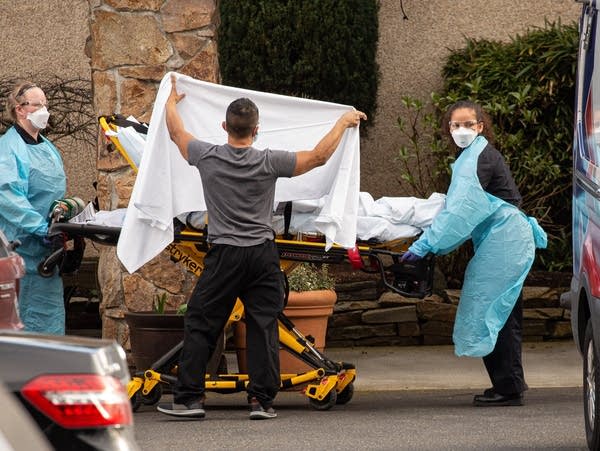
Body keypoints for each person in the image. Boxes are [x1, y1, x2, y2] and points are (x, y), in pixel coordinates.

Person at [157, 74, 366, 420]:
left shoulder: (206, 155)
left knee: (201, 321)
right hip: (261, 255)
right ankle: (261, 402)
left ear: (225, 126)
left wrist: (170, 102)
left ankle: (191, 399)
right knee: (263, 325)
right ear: (256, 130)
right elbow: (317, 157)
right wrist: (344, 122)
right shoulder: (269, 161)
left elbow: (177, 133)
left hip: (224, 254)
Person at [402, 100, 547, 406]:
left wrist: (424, 245)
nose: (462, 130)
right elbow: (463, 209)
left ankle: (508, 389)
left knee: (496, 312)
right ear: (448, 129)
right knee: (501, 312)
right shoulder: (473, 155)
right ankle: (509, 385)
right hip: (505, 239)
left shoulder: (478, 158)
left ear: (481, 127)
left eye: (468, 124)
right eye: (456, 125)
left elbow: (460, 213)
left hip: (505, 241)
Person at [0, 81, 67, 334]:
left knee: (50, 320)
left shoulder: (47, 148)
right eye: (38, 105)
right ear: (20, 109)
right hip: (22, 249)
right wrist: (41, 228)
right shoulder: (9, 149)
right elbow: (8, 197)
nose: (44, 110)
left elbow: (54, 191)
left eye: (45, 104)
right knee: (25, 319)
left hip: (46, 249)